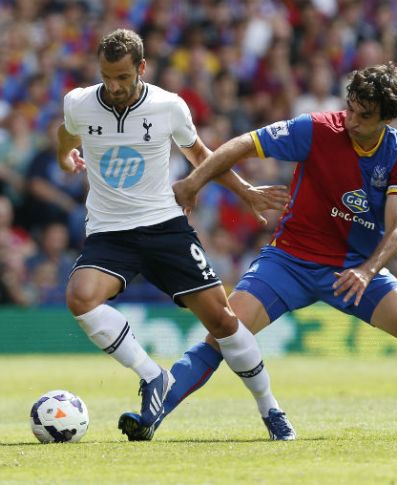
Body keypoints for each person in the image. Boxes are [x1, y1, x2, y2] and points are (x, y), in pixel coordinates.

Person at [120, 62, 397, 440]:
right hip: (289, 261)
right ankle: (150, 417)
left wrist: (367, 271)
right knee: (223, 331)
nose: (351, 120)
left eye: (364, 115)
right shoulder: (315, 129)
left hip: (354, 270)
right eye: (350, 107)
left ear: (386, 118)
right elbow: (241, 144)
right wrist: (195, 182)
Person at [57, 29, 296, 442]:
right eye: (106, 77)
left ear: (141, 68)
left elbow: (201, 155)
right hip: (110, 231)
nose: (114, 86)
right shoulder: (79, 102)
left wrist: (246, 192)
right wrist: (65, 155)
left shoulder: (168, 106)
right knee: (80, 297)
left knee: (223, 321)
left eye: (122, 77)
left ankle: (270, 408)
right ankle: (153, 375)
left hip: (164, 226)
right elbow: (66, 130)